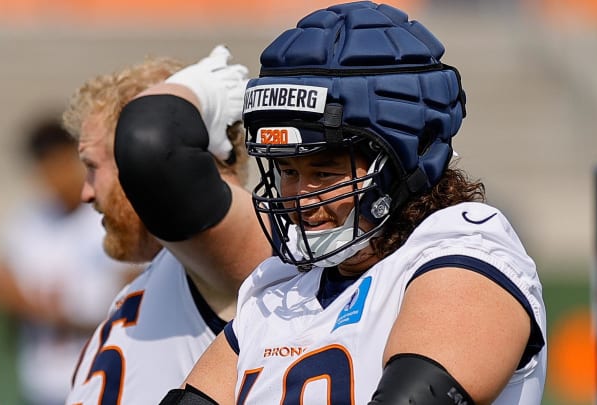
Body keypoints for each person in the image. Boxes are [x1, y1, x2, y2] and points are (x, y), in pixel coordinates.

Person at [166, 2, 547, 405]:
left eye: (325, 173)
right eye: (288, 172)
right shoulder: (278, 287)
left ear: (399, 164)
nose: (299, 197)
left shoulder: (467, 251)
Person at [63, 47, 272, 405]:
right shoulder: (166, 276)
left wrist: (199, 88)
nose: (86, 192)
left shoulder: (235, 267)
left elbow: (152, 144)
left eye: (93, 166)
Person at [0, 116, 128, 405]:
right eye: (43, 168)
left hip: (101, 384)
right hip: (42, 385)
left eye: (58, 164)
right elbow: (15, 326)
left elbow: (119, 315)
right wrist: (2, 297)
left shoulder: (108, 221)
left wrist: (21, 302)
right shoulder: (25, 221)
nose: (52, 177)